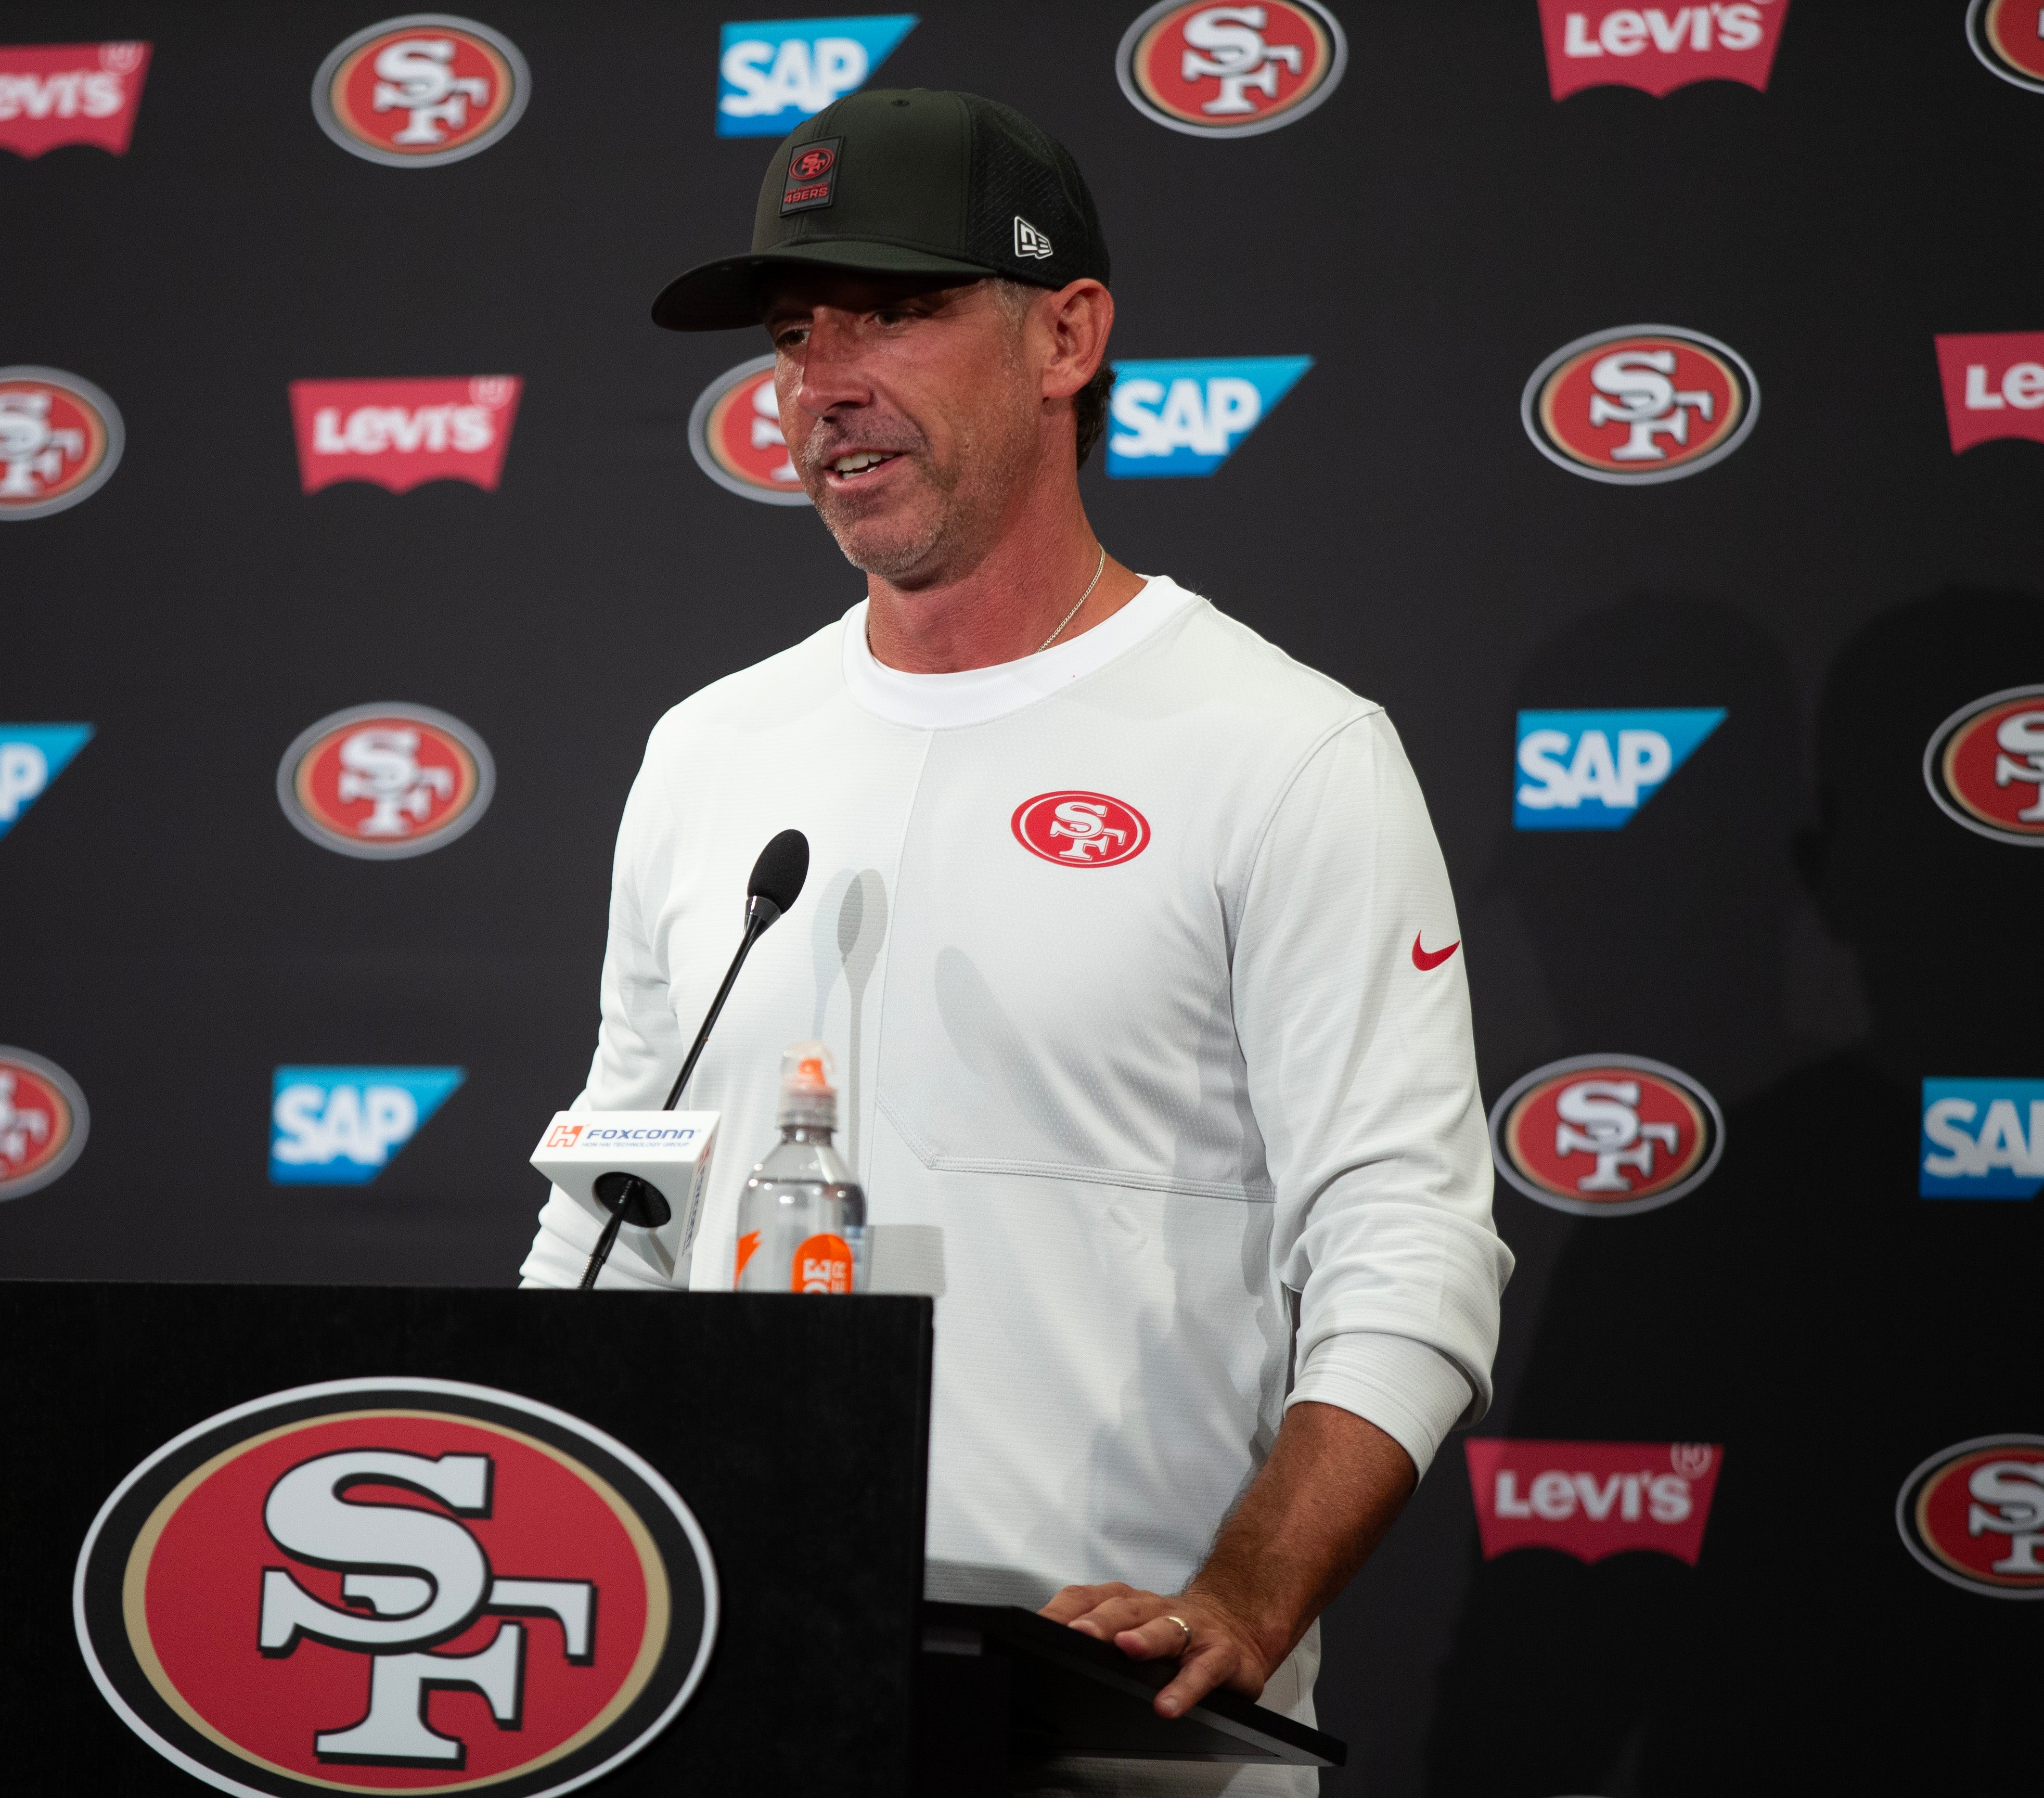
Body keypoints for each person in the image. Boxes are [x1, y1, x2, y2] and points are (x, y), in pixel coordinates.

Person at [519, 89, 1510, 1793]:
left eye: (895, 311)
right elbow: (613, 1215)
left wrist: (1245, 1597)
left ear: (1068, 337)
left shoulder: (1286, 751)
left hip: (1116, 1732)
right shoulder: (710, 751)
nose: (825, 382)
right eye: (795, 333)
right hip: (730, 1695)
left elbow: (1408, 1241)